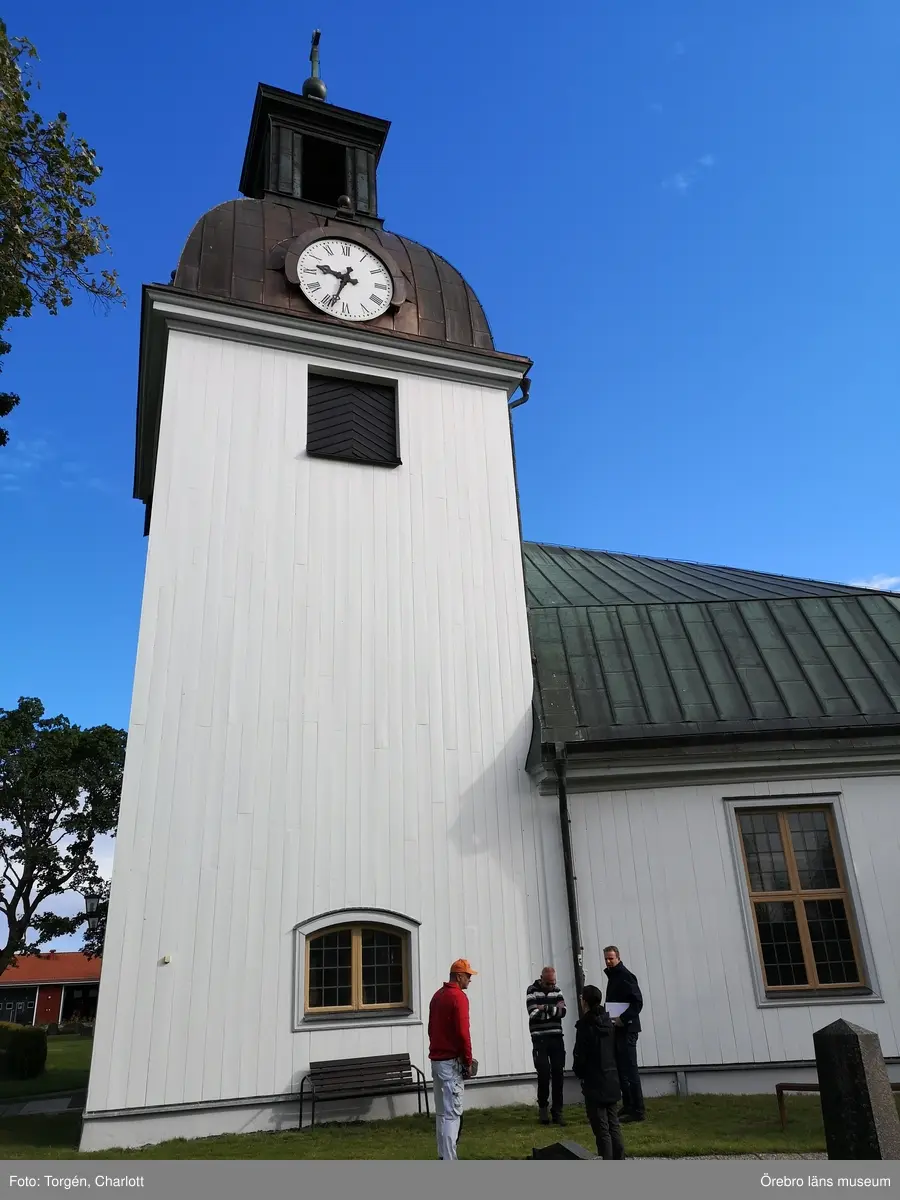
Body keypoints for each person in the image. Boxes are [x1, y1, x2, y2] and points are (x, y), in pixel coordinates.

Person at [428, 959, 477, 1161]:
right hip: (451, 1063)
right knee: (452, 1115)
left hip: (437, 1060)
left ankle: (442, 1155)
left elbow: (431, 1029)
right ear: (459, 976)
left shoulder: (437, 996)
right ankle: (449, 1159)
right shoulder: (459, 997)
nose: (470, 980)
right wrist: (467, 1060)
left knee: (441, 1113)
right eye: (468, 976)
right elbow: (463, 1034)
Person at [572, 984, 625, 1159]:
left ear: (585, 1001)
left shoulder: (586, 1026)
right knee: (614, 1125)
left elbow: (580, 1055)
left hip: (594, 1081)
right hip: (611, 1077)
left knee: (601, 1129)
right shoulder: (609, 1023)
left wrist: (579, 1072)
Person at [603, 945, 645, 1123]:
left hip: (627, 1029)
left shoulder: (625, 976)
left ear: (618, 957)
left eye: (611, 958)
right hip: (618, 1029)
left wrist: (623, 1018)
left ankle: (638, 1109)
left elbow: (637, 1002)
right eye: (606, 958)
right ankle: (628, 1104)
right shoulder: (613, 976)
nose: (608, 961)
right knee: (622, 1070)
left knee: (630, 1070)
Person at [525, 965, 567, 1125]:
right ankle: (543, 1109)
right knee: (543, 1073)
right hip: (539, 1038)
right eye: (548, 983)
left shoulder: (558, 990)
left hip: (557, 1037)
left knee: (558, 1074)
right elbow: (533, 1013)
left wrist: (545, 1008)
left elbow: (563, 1012)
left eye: (553, 983)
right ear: (541, 979)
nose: (552, 986)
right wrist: (553, 1011)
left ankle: (558, 1112)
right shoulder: (532, 990)